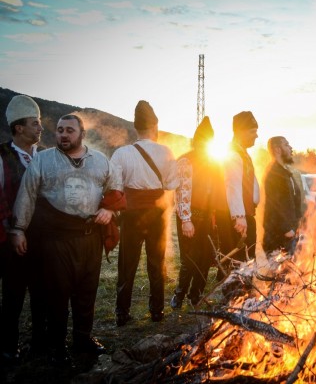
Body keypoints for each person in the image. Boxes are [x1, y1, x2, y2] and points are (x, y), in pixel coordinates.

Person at [10, 114, 124, 367]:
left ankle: (83, 338)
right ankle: (57, 346)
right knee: (57, 294)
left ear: (82, 134)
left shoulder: (99, 160)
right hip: (55, 238)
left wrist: (110, 210)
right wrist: (18, 229)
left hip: (89, 236)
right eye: (60, 130)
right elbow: (27, 194)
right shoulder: (43, 159)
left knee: (87, 291)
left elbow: (116, 185)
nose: (63, 134)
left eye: (69, 130)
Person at [112, 100, 178, 326]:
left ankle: (122, 313)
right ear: (155, 127)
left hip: (130, 215)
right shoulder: (166, 152)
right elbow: (171, 184)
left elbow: (115, 186)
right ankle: (157, 311)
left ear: (136, 128)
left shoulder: (122, 153)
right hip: (156, 215)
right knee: (156, 263)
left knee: (126, 264)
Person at [0, 95, 45, 365]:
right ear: (19, 128)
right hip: (11, 238)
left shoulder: (46, 157)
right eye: (35, 123)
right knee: (13, 293)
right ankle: (8, 344)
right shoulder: (2, 156)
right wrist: (14, 231)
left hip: (44, 237)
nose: (40, 128)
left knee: (43, 291)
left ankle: (40, 341)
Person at [171, 117, 222, 309]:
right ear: (196, 140)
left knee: (205, 258)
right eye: (202, 139)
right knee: (189, 258)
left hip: (208, 215)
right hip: (189, 215)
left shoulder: (214, 162)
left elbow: (216, 191)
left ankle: (196, 294)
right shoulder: (186, 160)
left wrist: (215, 215)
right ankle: (180, 294)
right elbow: (181, 191)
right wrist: (186, 219)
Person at [215, 111, 260, 269]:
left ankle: (246, 293)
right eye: (253, 131)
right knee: (239, 260)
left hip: (246, 214)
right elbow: (232, 185)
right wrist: (239, 217)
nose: (257, 136)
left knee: (248, 258)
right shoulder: (233, 154)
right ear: (241, 131)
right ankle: (237, 293)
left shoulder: (243, 154)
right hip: (237, 219)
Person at [262, 136, 302, 255]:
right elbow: (275, 204)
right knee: (282, 272)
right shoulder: (273, 173)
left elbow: (292, 199)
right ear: (277, 150)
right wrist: (286, 229)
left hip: (290, 232)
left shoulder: (284, 171)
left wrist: (297, 223)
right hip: (279, 237)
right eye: (286, 144)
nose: (291, 148)